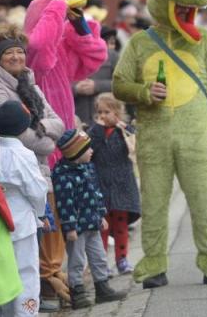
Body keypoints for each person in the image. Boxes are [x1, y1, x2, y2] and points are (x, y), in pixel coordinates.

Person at [112, 0, 207, 288]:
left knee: (203, 199)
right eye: (180, 7)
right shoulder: (140, 44)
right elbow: (119, 84)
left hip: (195, 134)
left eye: (189, 8)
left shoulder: (204, 41)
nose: (186, 12)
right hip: (153, 136)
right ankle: (154, 265)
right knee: (154, 201)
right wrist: (143, 92)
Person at [22, 0, 108, 310]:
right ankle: (49, 282)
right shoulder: (35, 58)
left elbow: (94, 57)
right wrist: (55, 6)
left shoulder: (61, 51)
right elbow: (40, 46)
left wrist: (81, 25)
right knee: (51, 219)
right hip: (44, 146)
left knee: (67, 216)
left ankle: (65, 279)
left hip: (67, 144)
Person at [0, 24, 68, 309]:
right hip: (22, 180)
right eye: (9, 53)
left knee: (36, 248)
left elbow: (57, 119)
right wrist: (48, 138)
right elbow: (21, 134)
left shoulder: (28, 84)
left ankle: (34, 300)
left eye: (20, 53)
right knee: (21, 260)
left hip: (38, 170)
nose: (16, 58)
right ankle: (29, 304)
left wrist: (43, 127)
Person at [52, 129, 127, 308]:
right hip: (76, 228)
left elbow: (96, 193)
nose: (91, 151)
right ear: (76, 153)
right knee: (77, 260)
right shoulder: (63, 176)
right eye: (87, 149)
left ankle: (103, 288)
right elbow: (65, 204)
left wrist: (101, 213)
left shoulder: (87, 168)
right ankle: (77, 292)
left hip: (92, 222)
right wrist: (69, 227)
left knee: (99, 256)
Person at [0, 101, 49, 317]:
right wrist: (40, 213)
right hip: (22, 219)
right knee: (26, 271)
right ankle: (26, 313)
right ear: (23, 128)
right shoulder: (23, 154)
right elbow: (36, 189)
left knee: (4, 274)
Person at [88, 93, 141, 276]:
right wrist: (97, 129)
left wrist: (122, 125)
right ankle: (103, 264)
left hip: (122, 185)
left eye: (107, 111)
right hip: (101, 185)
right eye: (99, 112)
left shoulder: (123, 131)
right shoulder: (95, 132)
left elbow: (134, 143)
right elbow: (90, 149)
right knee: (103, 226)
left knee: (121, 225)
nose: (103, 116)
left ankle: (122, 260)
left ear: (117, 112)